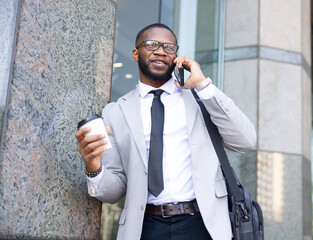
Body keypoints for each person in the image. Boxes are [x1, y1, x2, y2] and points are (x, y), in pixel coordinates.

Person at [75, 23, 256, 240]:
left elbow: (245, 141)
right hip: (145, 227)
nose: (161, 51)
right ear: (135, 53)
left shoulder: (201, 99)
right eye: (152, 44)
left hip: (203, 224)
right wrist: (93, 166)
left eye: (169, 47)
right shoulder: (116, 112)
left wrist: (203, 84)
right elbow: (113, 193)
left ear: (176, 56)